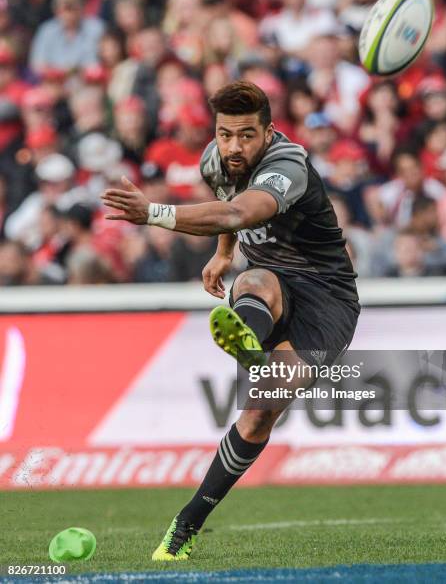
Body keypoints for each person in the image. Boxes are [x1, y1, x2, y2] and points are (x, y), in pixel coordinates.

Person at [101, 81, 360, 561]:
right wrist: (223, 256)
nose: (234, 146)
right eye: (225, 135)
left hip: (327, 296)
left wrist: (155, 214)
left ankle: (251, 349)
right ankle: (184, 528)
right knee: (255, 280)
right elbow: (228, 212)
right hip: (270, 279)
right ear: (215, 132)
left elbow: (240, 209)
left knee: (261, 412)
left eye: (246, 135)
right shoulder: (214, 160)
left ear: (268, 132)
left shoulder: (288, 166)